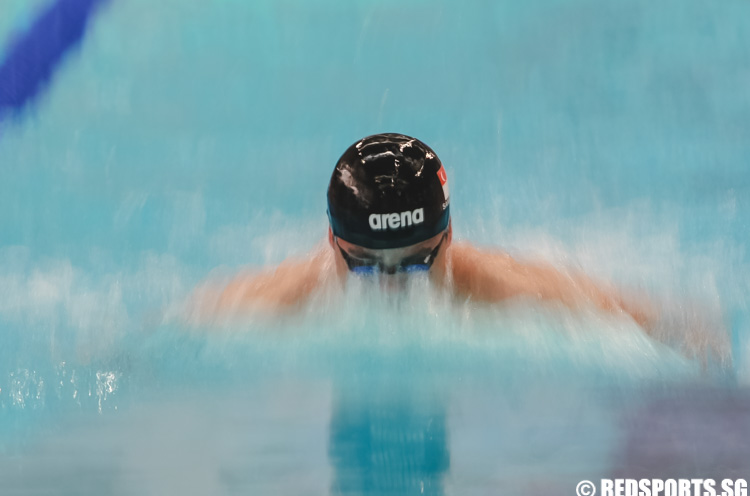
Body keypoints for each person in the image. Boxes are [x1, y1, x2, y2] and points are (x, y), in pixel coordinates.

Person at [197, 132, 658, 330]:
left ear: (450, 237)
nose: (392, 285)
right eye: (364, 265)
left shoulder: (509, 291)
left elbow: (654, 325)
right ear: (331, 242)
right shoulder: (264, 306)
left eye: (416, 261)